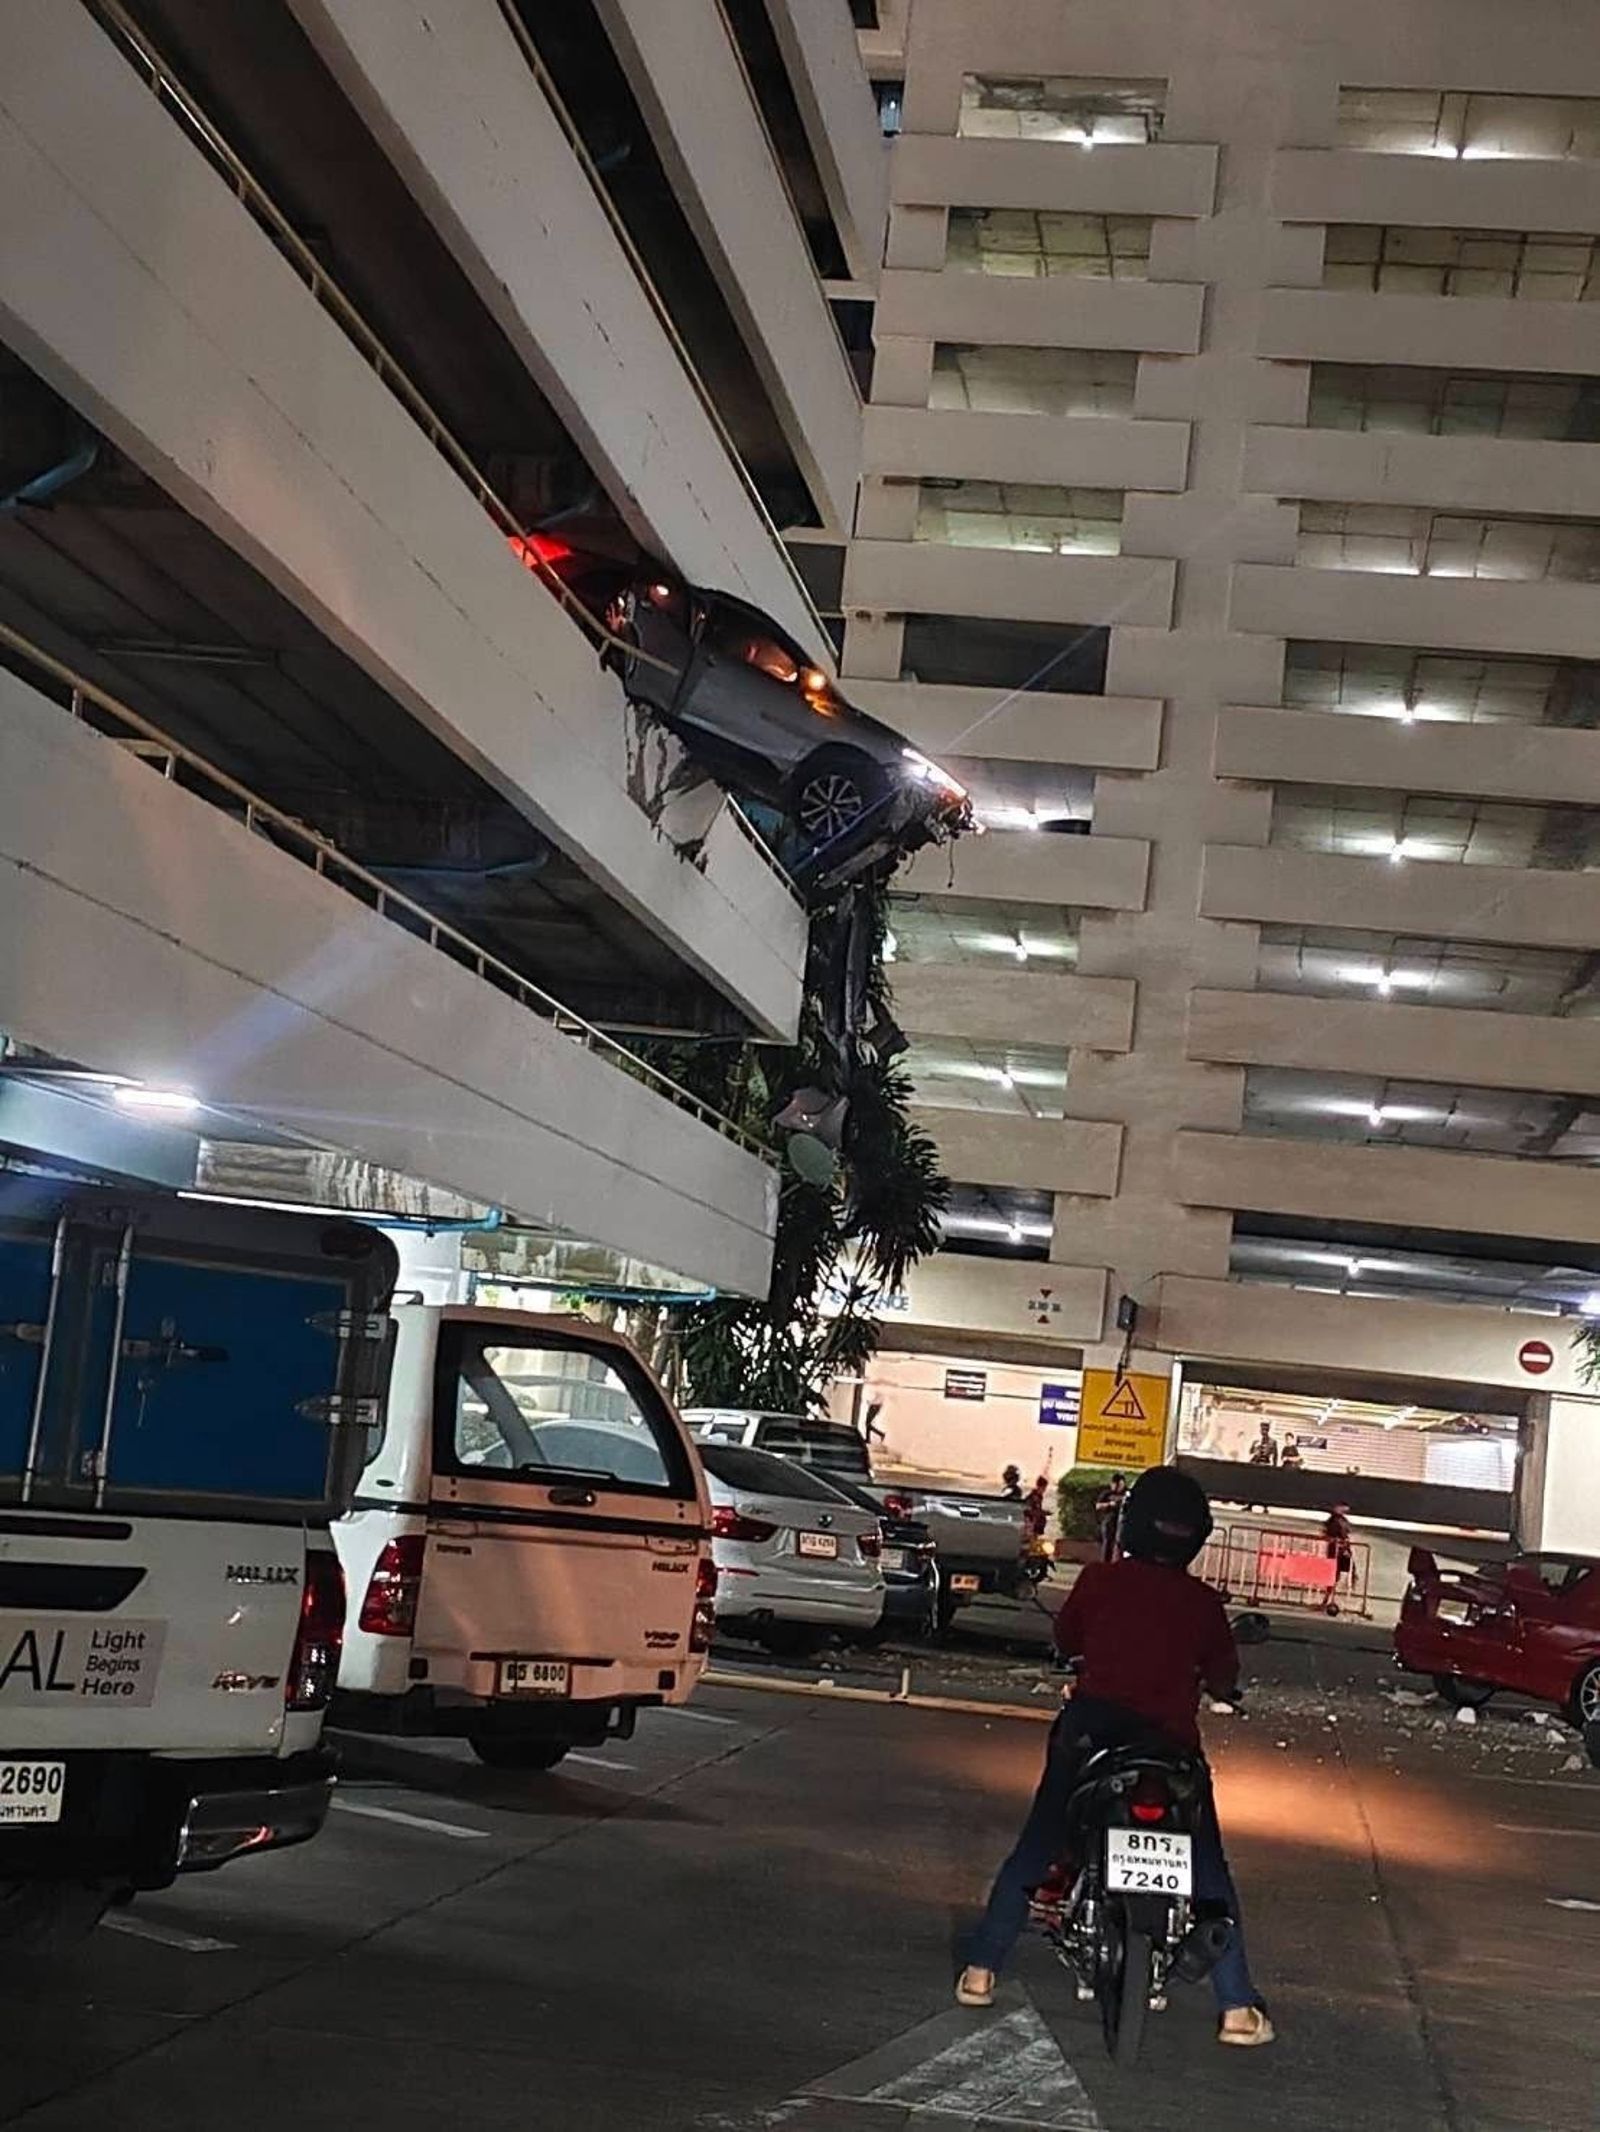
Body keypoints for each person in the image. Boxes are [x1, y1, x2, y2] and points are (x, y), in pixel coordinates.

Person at [955, 1467, 1273, 2049]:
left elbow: (1068, 1641)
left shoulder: (1099, 1582)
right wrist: (1220, 1687)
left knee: (1039, 1843)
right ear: (1196, 1536)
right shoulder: (1203, 1603)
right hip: (1170, 1750)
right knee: (1209, 1871)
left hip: (1091, 1739)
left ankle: (980, 1971)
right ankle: (1236, 2008)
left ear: (1129, 1524)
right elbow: (1226, 1673)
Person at [1093, 1471, 1128, 1561]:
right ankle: (1106, 1562)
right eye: (1116, 1484)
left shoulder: (1126, 1494)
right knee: (1108, 1543)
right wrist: (1109, 1504)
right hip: (1110, 1522)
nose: (1118, 1487)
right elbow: (1098, 1506)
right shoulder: (1107, 1494)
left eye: (1120, 1484)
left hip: (1123, 1522)